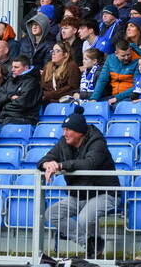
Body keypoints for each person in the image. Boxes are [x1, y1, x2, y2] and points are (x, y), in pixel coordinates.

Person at [38, 107, 118, 258]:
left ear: (80, 132)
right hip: (78, 194)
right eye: (64, 129)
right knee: (52, 214)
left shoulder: (97, 142)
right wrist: (47, 165)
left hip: (104, 193)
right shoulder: (64, 142)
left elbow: (89, 164)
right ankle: (89, 243)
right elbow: (44, 159)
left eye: (68, 130)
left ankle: (95, 242)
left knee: (84, 219)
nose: (64, 133)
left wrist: (61, 165)